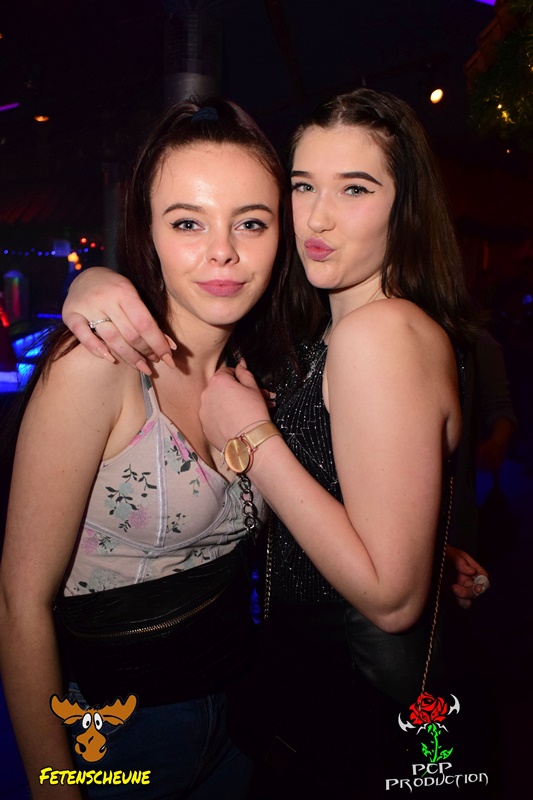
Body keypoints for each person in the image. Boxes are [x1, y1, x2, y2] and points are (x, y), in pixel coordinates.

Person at [60, 90, 490, 796]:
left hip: (354, 707)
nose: (317, 217)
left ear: (404, 205)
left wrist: (254, 439)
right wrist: (96, 280)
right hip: (320, 698)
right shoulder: (345, 330)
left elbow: (390, 600)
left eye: (355, 188)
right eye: (302, 185)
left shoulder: (377, 334)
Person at [0, 97, 292, 800]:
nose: (223, 251)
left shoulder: (258, 372)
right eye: (188, 222)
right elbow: (18, 602)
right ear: (148, 232)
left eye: (250, 222)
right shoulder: (98, 367)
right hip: (118, 731)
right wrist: (53, 786)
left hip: (241, 716)